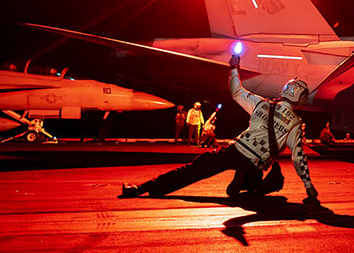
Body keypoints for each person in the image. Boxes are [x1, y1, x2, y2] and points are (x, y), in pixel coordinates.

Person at [120, 49, 319, 204]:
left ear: (283, 90)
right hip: (256, 162)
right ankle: (249, 183)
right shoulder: (295, 123)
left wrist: (234, 69)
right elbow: (298, 157)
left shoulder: (262, 103)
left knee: (193, 170)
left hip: (236, 150)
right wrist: (308, 186)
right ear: (301, 99)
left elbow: (236, 91)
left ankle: (142, 188)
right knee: (273, 184)